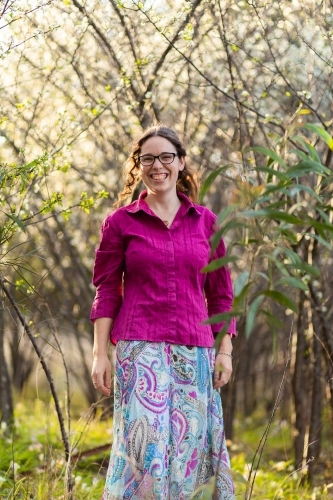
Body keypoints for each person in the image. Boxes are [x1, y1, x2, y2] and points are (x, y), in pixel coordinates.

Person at [90, 125, 236, 500]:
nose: (158, 165)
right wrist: (99, 353)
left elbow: (221, 294)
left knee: (191, 450)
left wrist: (225, 352)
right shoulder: (120, 223)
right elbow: (107, 290)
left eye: (166, 156)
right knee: (144, 451)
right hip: (139, 351)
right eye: (148, 158)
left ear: (181, 162)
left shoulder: (206, 222)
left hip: (196, 350)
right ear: (138, 167)